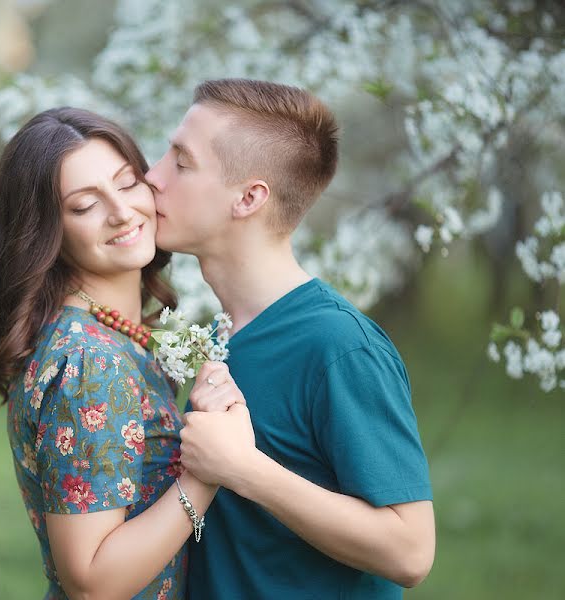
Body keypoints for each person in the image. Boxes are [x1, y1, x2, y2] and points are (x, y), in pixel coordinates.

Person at [144, 79, 436, 599]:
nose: (152, 177)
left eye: (181, 162)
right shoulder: (220, 333)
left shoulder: (340, 347)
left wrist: (242, 469)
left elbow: (410, 551)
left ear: (249, 198)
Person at [0, 107, 230, 599]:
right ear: (48, 231)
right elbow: (91, 583)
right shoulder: (90, 359)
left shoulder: (106, 336)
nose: (122, 212)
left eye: (128, 183)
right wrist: (205, 477)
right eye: (86, 205)